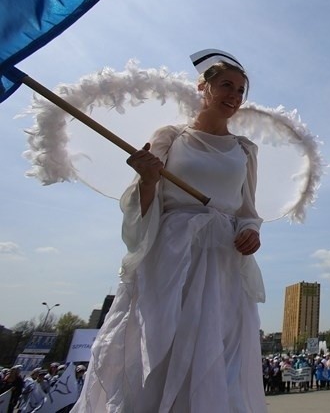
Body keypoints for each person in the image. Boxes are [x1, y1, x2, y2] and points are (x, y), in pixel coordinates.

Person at [73, 50, 267, 413]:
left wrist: (251, 233)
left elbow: (248, 211)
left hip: (223, 258)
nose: (234, 96)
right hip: (172, 251)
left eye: (241, 91)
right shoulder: (171, 136)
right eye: (226, 85)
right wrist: (148, 178)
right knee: (159, 342)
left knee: (219, 348)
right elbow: (142, 202)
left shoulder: (245, 150)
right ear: (202, 87)